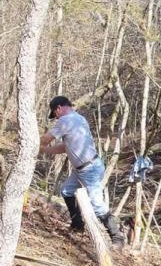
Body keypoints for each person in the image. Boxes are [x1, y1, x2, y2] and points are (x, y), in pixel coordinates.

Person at [39, 95, 124, 247]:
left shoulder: (66, 120)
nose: (56, 117)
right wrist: (45, 151)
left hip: (89, 168)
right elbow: (65, 147)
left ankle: (117, 237)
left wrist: (37, 146)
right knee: (66, 190)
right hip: (85, 167)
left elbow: (46, 139)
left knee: (97, 203)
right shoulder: (79, 119)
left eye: (55, 113)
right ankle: (77, 225)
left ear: (59, 108)